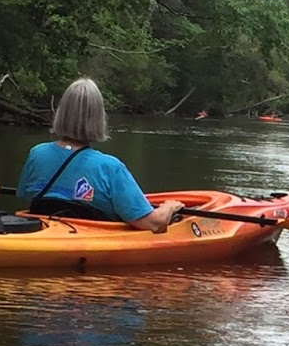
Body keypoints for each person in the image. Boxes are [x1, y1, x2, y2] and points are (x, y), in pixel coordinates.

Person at [17, 77, 184, 232]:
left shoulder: (37, 154)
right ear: (99, 118)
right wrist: (169, 206)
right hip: (88, 243)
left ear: (61, 113)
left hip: (45, 235)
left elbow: (24, 195)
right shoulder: (110, 167)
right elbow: (153, 223)